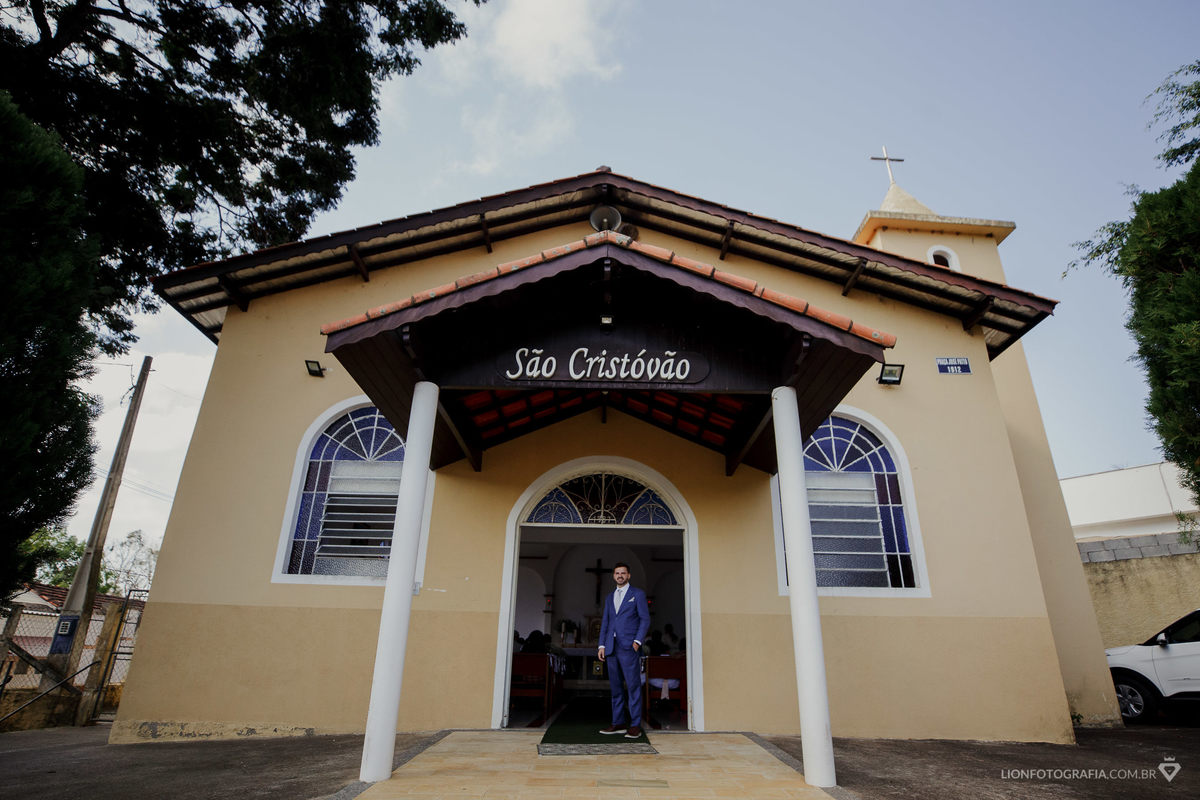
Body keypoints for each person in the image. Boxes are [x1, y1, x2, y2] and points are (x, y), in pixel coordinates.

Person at [596, 562, 650, 738]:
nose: (620, 575)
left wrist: (637, 642)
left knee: (633, 686)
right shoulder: (609, 597)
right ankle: (618, 722)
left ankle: (635, 725)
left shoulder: (637, 594)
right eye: (617, 573)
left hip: (629, 647)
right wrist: (601, 645)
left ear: (628, 575)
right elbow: (606, 621)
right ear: (614, 576)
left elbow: (645, 619)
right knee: (616, 687)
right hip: (611, 647)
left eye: (623, 573)